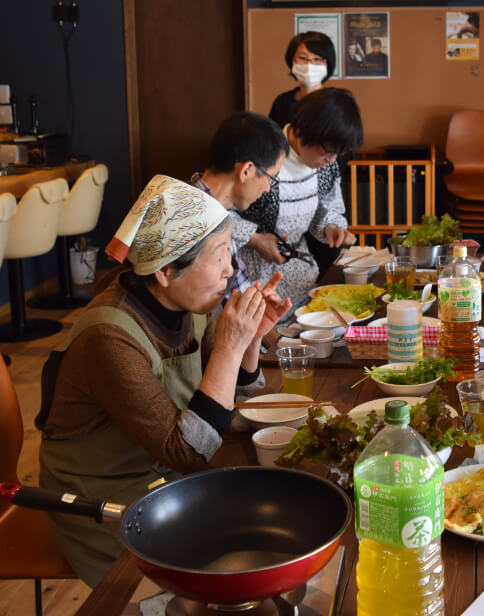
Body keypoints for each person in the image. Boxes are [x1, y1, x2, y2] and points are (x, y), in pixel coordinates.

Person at [37, 175, 292, 585]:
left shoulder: (188, 303)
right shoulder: (110, 336)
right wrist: (229, 346)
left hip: (164, 474)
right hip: (102, 495)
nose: (231, 271)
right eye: (221, 256)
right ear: (166, 270)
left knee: (274, 510)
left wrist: (251, 339)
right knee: (224, 564)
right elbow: (189, 451)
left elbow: (229, 399)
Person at [234, 88, 363, 301]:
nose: (331, 160)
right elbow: (219, 212)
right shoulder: (262, 153)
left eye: (338, 154)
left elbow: (328, 207)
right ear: (303, 130)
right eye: (327, 152)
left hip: (299, 275)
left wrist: (331, 227)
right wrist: (255, 239)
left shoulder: (326, 164)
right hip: (251, 276)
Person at [189, 112, 289, 295]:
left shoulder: (213, 211)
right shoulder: (198, 220)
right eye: (270, 178)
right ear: (246, 171)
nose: (268, 188)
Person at [268, 31, 337, 127]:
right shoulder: (282, 102)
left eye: (317, 59)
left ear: (328, 64)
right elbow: (272, 138)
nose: (309, 64)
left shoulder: (337, 105)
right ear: (292, 61)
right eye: (302, 58)